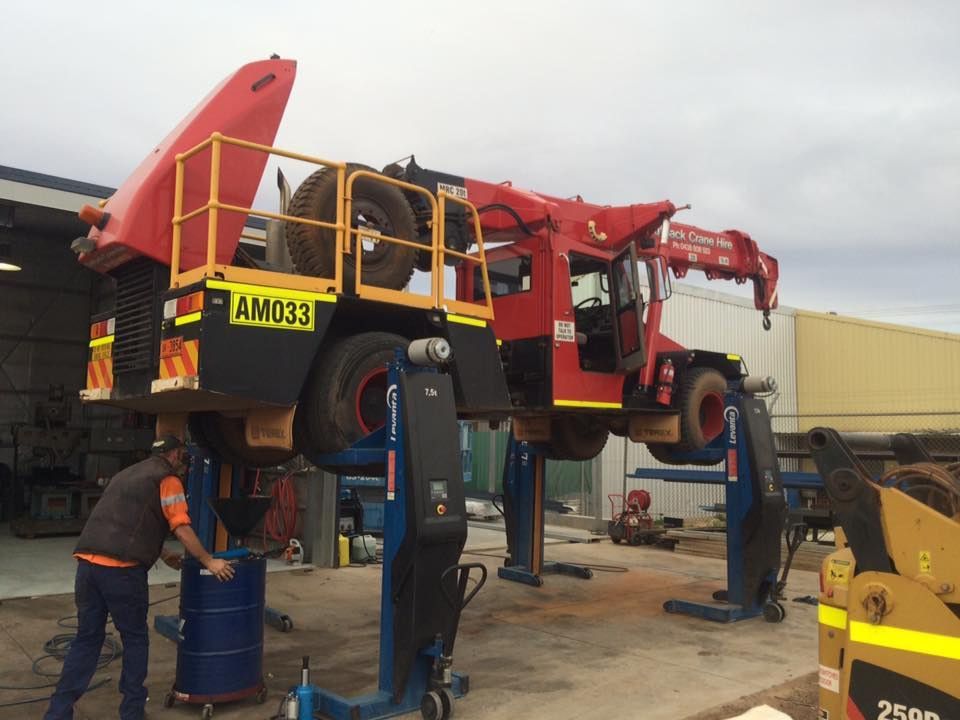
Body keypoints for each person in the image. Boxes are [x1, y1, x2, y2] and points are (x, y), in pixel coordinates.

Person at [44, 435, 235, 720]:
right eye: (183, 456)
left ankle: (57, 714)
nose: (184, 464)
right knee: (135, 639)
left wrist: (160, 552)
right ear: (174, 455)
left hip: (87, 566)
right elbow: (181, 526)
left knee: (87, 639)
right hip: (121, 573)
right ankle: (132, 712)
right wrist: (210, 561)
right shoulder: (168, 479)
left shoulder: (127, 474)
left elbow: (124, 521)